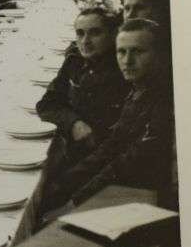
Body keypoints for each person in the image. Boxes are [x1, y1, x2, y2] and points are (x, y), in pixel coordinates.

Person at [37, 19, 175, 222]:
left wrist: (74, 203)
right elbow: (112, 146)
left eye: (137, 52)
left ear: (160, 55)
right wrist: (64, 183)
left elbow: (128, 162)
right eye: (122, 52)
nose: (127, 61)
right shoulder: (138, 89)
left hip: (150, 202)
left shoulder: (163, 100)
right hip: (128, 190)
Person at [37, 9, 130, 154]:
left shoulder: (124, 69)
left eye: (95, 33)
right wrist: (74, 123)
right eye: (80, 33)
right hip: (78, 147)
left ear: (113, 35)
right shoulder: (75, 62)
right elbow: (47, 104)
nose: (85, 41)